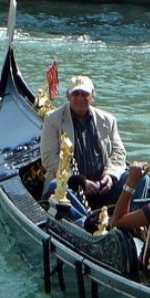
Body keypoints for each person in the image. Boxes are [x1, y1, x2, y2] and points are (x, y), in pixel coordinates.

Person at [40, 75, 127, 210]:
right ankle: (84, 221)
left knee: (140, 180)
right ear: (68, 96)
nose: (80, 98)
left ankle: (126, 220)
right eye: (76, 94)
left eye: (85, 94)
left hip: (103, 184)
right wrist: (81, 182)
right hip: (72, 186)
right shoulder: (53, 119)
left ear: (92, 96)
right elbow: (49, 158)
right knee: (54, 186)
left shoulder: (108, 120)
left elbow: (119, 152)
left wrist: (109, 175)